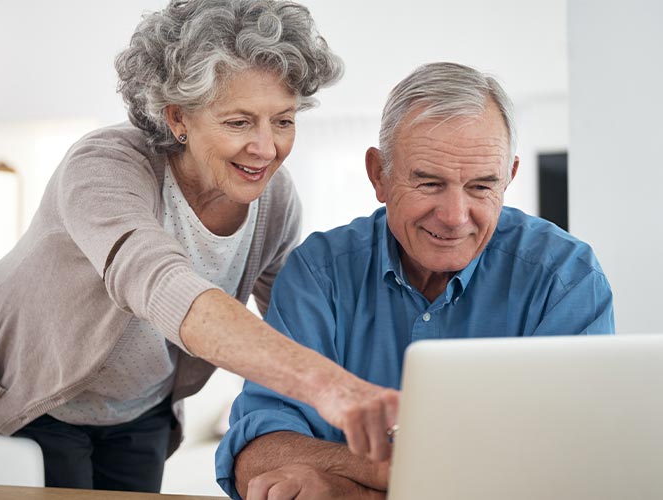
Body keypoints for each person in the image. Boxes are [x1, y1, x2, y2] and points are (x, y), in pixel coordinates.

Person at [0, 0, 399, 492]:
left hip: (141, 409)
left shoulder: (275, 199)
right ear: (178, 118)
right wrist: (328, 387)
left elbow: (296, 322)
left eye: (283, 120)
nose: (265, 147)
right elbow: (158, 282)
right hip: (35, 401)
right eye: (239, 122)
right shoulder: (104, 165)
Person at [215, 61, 615, 499]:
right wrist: (404, 473)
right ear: (379, 175)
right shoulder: (318, 275)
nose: (455, 217)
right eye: (429, 183)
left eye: (482, 187)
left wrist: (350, 490)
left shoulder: (566, 280)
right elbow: (255, 453)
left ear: (510, 177)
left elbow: (575, 468)